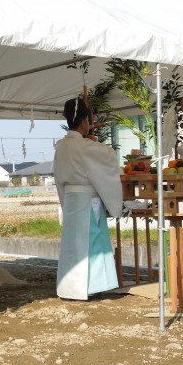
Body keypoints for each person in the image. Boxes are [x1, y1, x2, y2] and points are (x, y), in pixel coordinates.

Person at [53, 96, 123, 300]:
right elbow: (109, 157)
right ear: (84, 120)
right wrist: (94, 140)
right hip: (87, 199)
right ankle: (91, 286)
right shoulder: (85, 146)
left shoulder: (62, 146)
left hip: (71, 198)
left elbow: (58, 178)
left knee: (73, 246)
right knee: (92, 244)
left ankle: (70, 287)